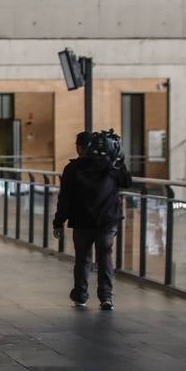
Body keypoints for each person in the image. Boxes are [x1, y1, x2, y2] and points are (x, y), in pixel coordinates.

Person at [53, 130, 132, 310]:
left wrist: (58, 222)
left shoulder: (72, 169)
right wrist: (119, 160)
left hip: (82, 222)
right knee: (105, 257)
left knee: (83, 259)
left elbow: (65, 198)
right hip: (107, 221)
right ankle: (106, 297)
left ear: (81, 147)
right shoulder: (111, 166)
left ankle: (81, 295)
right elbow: (127, 182)